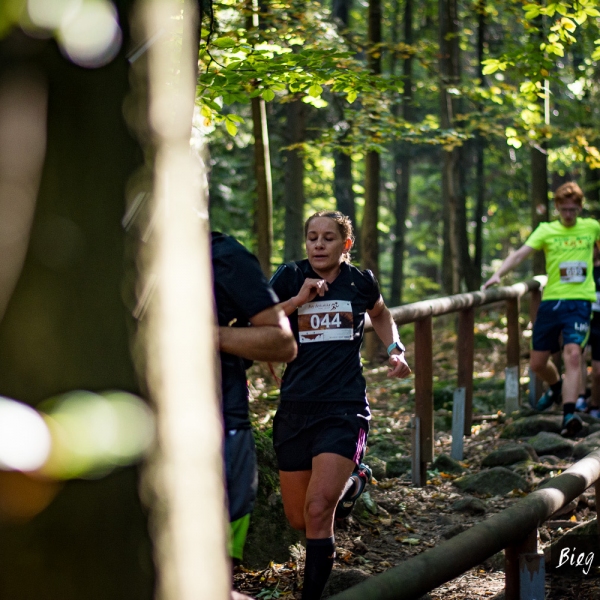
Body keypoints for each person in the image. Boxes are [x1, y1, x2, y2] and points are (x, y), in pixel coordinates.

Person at [269, 211, 411, 600]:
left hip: (344, 407)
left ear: (345, 244)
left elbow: (381, 314)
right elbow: (259, 322)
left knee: (318, 510)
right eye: (312, 237)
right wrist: (298, 300)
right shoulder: (289, 276)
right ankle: (355, 481)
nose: (318, 244)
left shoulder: (360, 282)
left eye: (328, 238)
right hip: (295, 407)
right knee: (299, 518)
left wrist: (395, 348)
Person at [482, 182, 600, 436]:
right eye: (564, 209)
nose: (568, 214)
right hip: (551, 301)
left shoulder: (592, 227)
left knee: (573, 355)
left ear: (580, 208)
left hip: (580, 302)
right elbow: (519, 254)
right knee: (537, 363)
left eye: (573, 210)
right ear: (557, 208)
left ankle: (569, 414)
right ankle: (556, 387)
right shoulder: (546, 230)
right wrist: (498, 274)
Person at [212, 231, 297, 564]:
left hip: (222, 428)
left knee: (215, 563)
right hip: (128, 424)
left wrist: (207, 335)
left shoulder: (223, 255)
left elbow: (283, 343)